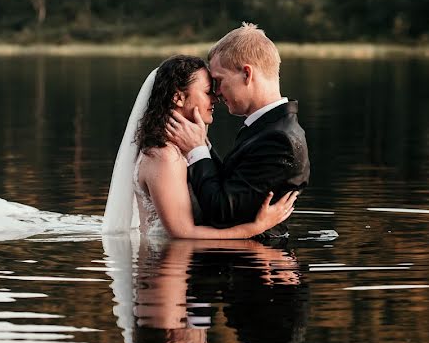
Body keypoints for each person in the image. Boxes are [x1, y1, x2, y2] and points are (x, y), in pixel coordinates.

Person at [102, 54, 297, 239]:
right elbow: (183, 234)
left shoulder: (183, 149)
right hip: (168, 267)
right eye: (207, 92)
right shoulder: (164, 156)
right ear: (178, 98)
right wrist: (255, 228)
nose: (215, 98)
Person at [167, 23, 310, 238]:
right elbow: (228, 185)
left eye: (219, 81)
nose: (216, 93)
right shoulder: (265, 127)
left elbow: (222, 212)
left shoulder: (280, 140)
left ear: (246, 74)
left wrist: (197, 150)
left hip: (257, 264)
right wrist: (200, 143)